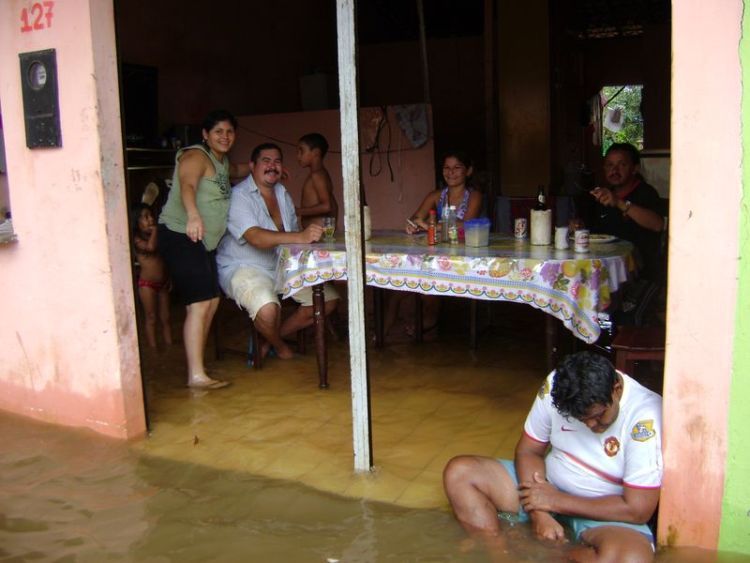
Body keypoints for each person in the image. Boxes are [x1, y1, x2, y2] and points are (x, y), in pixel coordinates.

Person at [443, 351, 662, 562]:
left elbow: (637, 510)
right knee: (460, 473)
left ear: (616, 389)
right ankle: (500, 554)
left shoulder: (645, 417)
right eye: (580, 419)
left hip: (603, 511)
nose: (590, 425)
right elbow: (529, 451)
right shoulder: (557, 387)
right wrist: (539, 511)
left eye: (597, 416)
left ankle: (556, 555)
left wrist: (556, 502)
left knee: (631, 559)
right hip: (545, 488)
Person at [216, 143, 340, 361]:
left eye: (277, 161)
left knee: (328, 300)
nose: (272, 166)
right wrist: (300, 236)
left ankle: (268, 338)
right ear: (252, 166)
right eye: (266, 161)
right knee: (267, 310)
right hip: (245, 267)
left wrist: (310, 238)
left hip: (280, 266)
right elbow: (255, 237)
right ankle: (280, 346)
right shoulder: (239, 196)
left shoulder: (282, 193)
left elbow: (291, 235)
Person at [158, 109, 251, 390]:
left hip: (201, 241)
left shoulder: (221, 162)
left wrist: (261, 167)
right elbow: (187, 184)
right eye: (218, 131)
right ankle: (196, 375)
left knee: (210, 300)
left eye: (229, 131)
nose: (225, 136)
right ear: (205, 135)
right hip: (181, 234)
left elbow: (235, 171)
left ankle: (197, 367)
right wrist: (193, 215)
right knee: (199, 303)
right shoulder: (196, 156)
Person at [384, 150, 483, 340]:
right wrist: (413, 225)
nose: (451, 172)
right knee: (395, 292)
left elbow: (468, 224)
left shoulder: (474, 196)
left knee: (432, 292)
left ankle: (428, 323)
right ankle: (380, 335)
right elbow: (415, 218)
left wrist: (431, 226)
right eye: (446, 168)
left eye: (457, 168)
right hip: (438, 254)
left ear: (468, 171)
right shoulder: (437, 196)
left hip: (462, 257)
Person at [132, 203, 172, 349]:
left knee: (166, 318)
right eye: (144, 217)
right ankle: (153, 349)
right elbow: (150, 248)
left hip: (163, 283)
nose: (149, 220)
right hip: (147, 285)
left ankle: (170, 345)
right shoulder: (137, 239)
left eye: (150, 216)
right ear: (137, 222)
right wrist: (155, 230)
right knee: (151, 318)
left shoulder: (158, 236)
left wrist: (169, 278)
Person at [295, 133, 339, 229]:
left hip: (320, 234)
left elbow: (327, 206)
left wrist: (298, 211)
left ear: (316, 153)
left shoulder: (317, 175)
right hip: (320, 233)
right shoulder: (321, 173)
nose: (298, 156)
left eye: (301, 151)